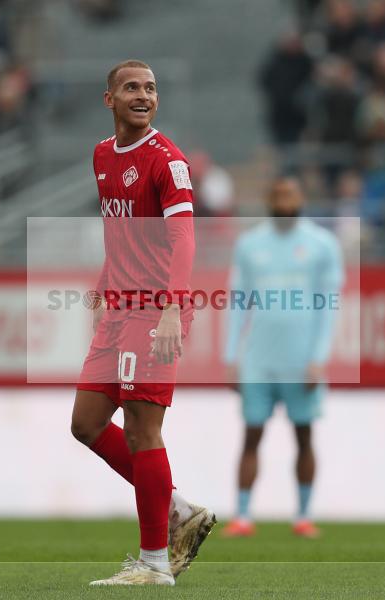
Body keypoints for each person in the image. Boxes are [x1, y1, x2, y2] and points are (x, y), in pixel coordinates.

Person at [70, 60, 215, 587]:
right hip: (119, 308)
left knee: (142, 429)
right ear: (109, 98)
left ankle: (155, 562)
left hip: (155, 309)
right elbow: (121, 232)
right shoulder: (102, 155)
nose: (143, 95)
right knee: (86, 423)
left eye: (151, 88)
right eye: (132, 87)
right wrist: (102, 286)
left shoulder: (167, 161)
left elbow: (183, 239)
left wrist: (173, 308)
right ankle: (176, 507)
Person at [222, 177, 343, 539]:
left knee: (303, 435)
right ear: (269, 200)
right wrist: (231, 356)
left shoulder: (322, 244)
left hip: (301, 360)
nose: (284, 202)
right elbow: (237, 303)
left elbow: (329, 307)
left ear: (301, 198)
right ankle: (243, 516)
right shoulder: (249, 244)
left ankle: (303, 515)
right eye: (278, 196)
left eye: (290, 195)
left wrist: (318, 357)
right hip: (259, 359)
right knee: (251, 434)